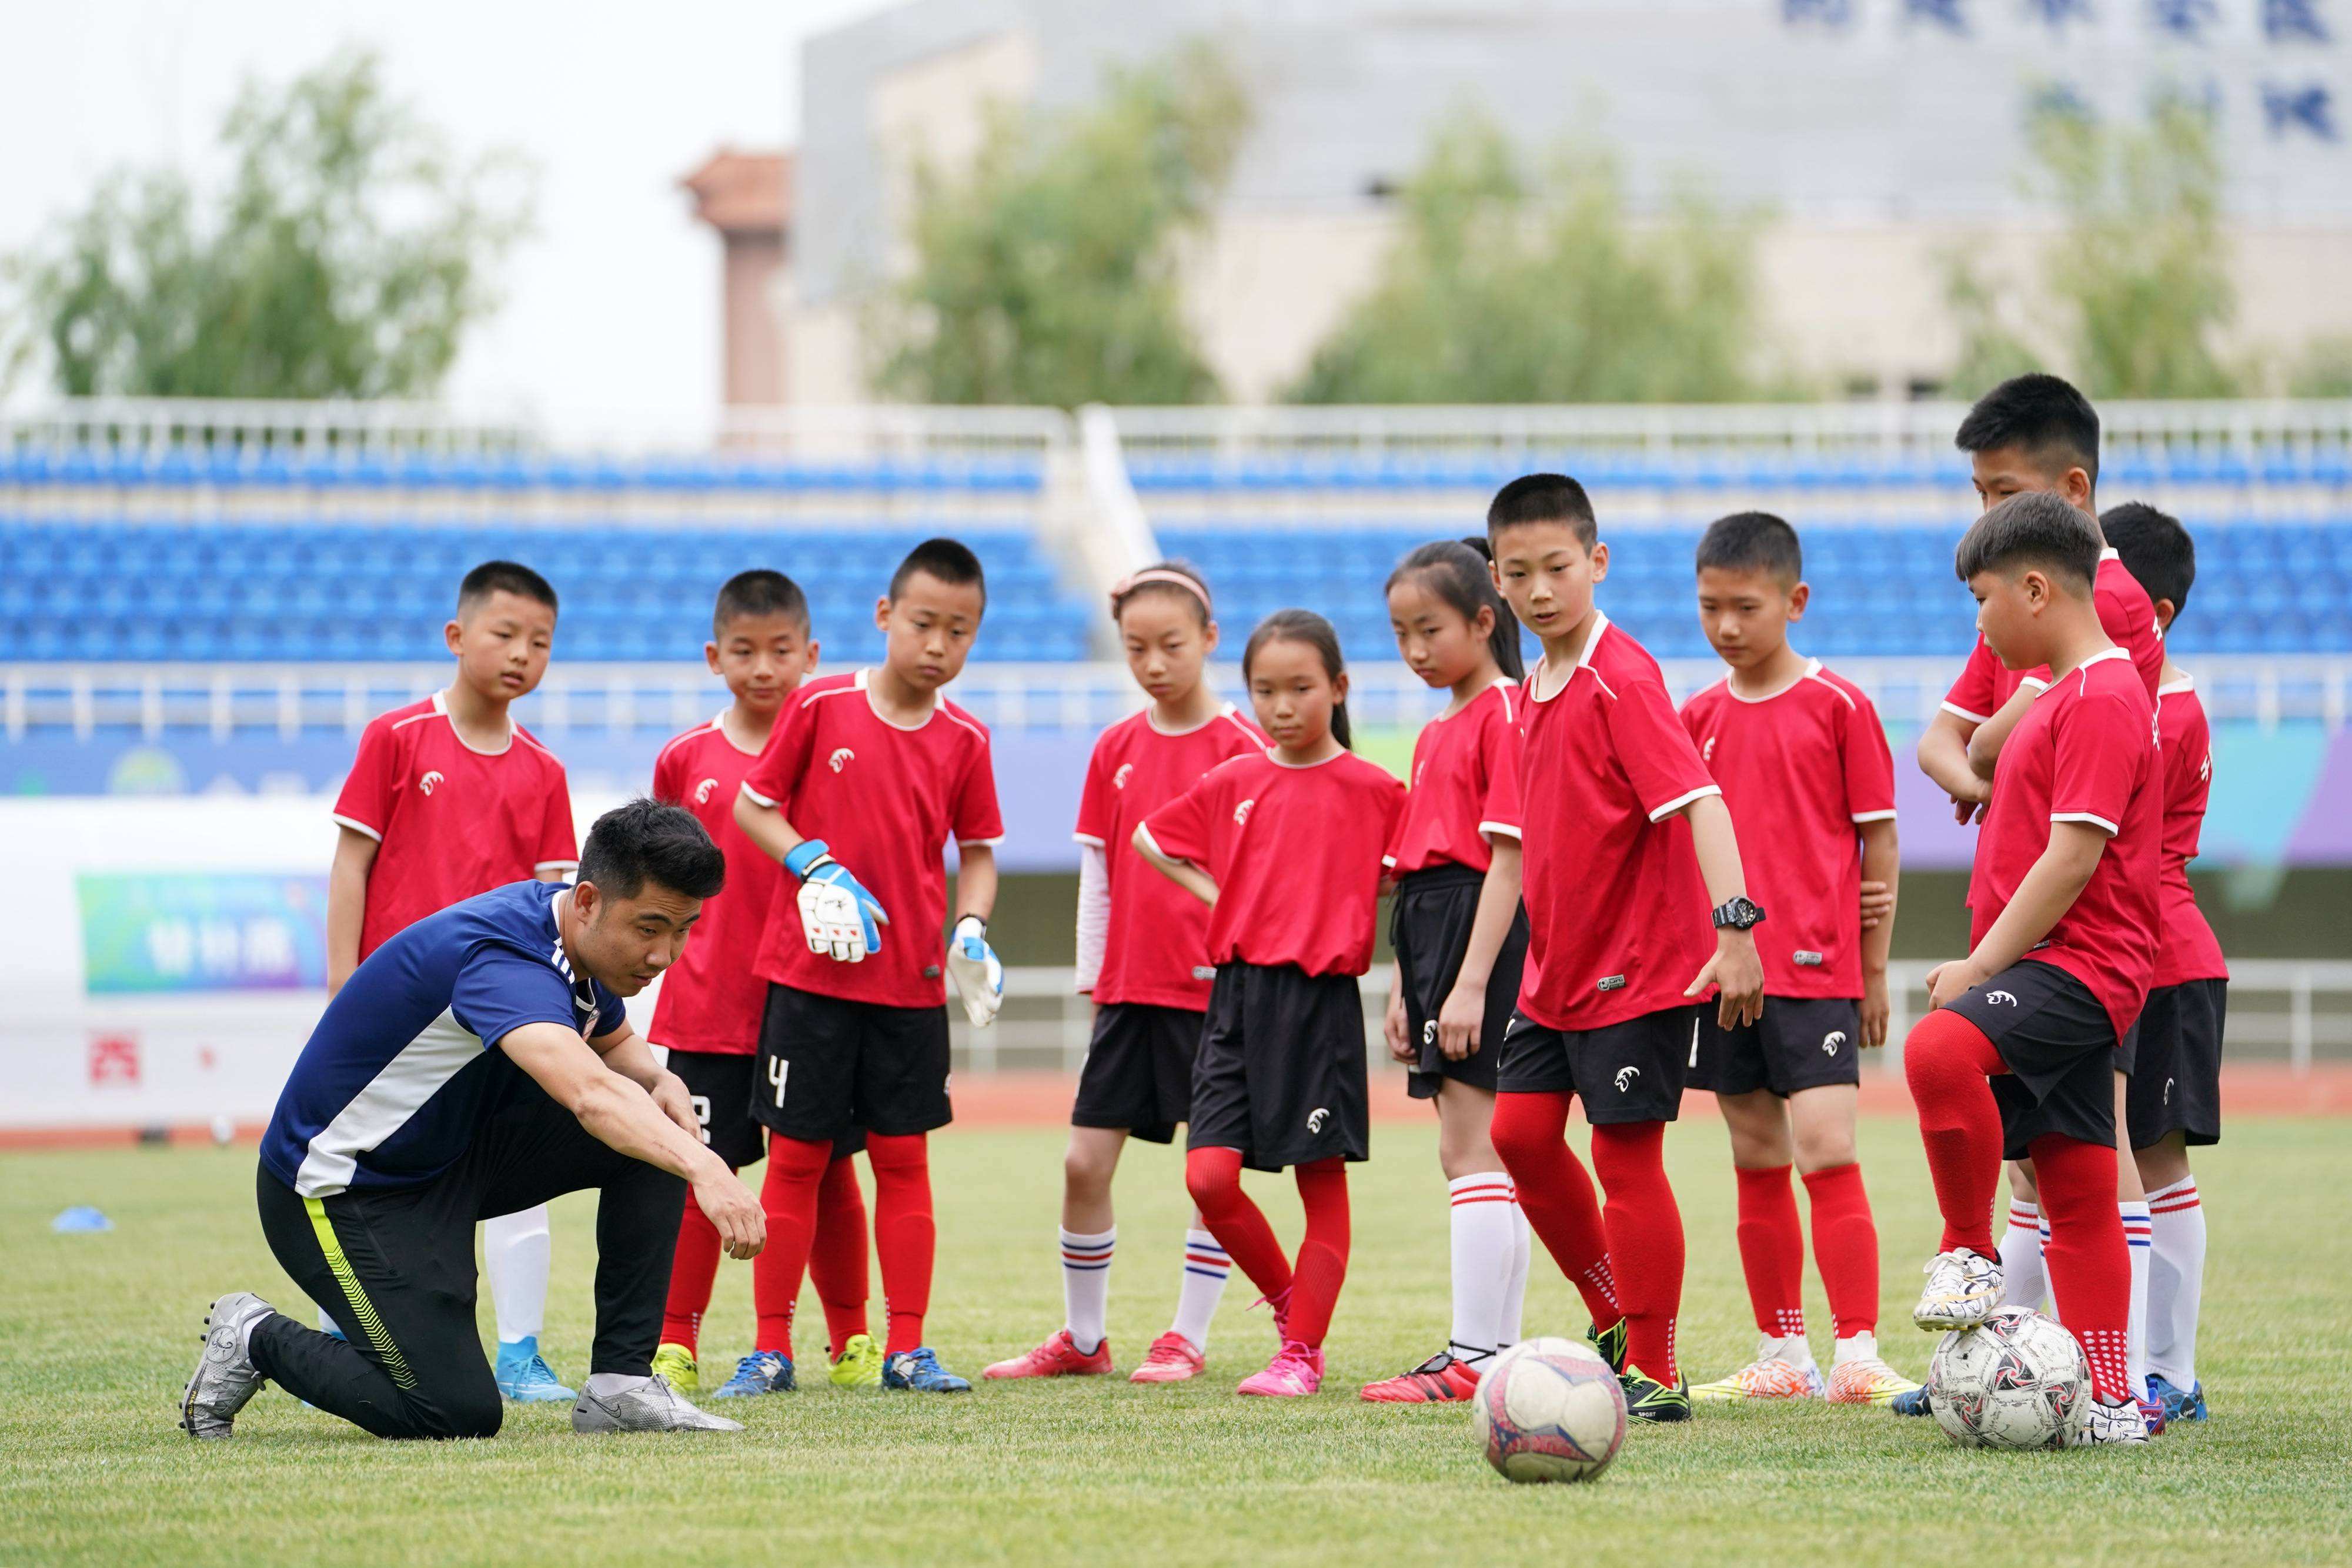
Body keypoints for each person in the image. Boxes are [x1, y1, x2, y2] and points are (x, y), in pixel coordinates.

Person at [181, 799, 759, 1441]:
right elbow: (593, 1094)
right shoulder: (503, 958)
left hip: (446, 1166)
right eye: (650, 928)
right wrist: (705, 1164)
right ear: (589, 900)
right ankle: (254, 1336)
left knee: (653, 1127)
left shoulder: (573, 936)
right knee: (452, 1412)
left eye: (683, 930)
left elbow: (615, 1049)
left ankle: (620, 1387)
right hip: (339, 1191)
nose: (664, 955)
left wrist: (660, 1079)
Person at [1901, 374, 2167, 1426]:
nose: (1981, 625)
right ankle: (2107, 1397)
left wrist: (1978, 969)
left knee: (1938, 1049)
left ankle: (1967, 1255)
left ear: (2040, 593)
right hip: (2051, 964)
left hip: (2080, 966)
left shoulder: (2101, 697)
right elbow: (1976, 762)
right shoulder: (2063, 697)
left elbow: (2070, 860)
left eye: (1983, 602)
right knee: (2072, 1183)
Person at [1481, 473, 1767, 1425]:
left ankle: (1654, 1362)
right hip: (1553, 972)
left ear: (1596, 563)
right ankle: (1611, 1312)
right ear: (1497, 579)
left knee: (1625, 1155)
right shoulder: (1532, 683)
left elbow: (1704, 803)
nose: (1540, 589)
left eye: (1558, 567)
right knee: (1520, 1136)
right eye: (1518, 573)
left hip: (1635, 969)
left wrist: (1735, 931)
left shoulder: (1624, 677)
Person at [732, 537, 1006, 1394]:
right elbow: (753, 805)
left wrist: (970, 925)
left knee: (903, 1161)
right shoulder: (819, 705)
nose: (938, 645)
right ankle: (770, 1348)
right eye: (924, 623)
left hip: (909, 989)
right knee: (797, 1163)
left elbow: (982, 852)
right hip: (808, 981)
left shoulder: (966, 737)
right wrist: (813, 861)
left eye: (959, 631)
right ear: (886, 616)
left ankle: (907, 1349)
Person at [985, 564, 1262, 1385]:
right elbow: (1100, 870)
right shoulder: (1114, 745)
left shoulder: (1245, 746)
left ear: (1210, 640)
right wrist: (1093, 970)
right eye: (1135, 647)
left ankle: (1188, 1334)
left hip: (1214, 994)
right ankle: (1084, 1335)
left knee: (1210, 1173)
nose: (1153, 661)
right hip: (1128, 993)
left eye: (1171, 644)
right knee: (1083, 1163)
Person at [325, 559, 580, 1404]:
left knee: (509, 1167)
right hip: (396, 1012)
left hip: (502, 1012)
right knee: (380, 1168)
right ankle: (347, 1317)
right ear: (457, 635)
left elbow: (555, 901)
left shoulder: (544, 770)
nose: (521, 654)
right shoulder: (397, 737)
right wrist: (341, 986)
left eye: (539, 641)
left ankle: (521, 1351)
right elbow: (351, 863)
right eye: (505, 634)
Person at [1676, 513, 1916, 1407]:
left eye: (1746, 606)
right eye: (1710, 607)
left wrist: (1874, 968)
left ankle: (1856, 1347)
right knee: (1754, 1151)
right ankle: (1783, 1350)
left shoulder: (1840, 705)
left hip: (1816, 970)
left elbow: (1878, 845)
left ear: (1795, 600)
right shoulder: (1693, 715)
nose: (1727, 625)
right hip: (1726, 976)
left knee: (1827, 1146)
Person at [1135, 610, 1406, 1398]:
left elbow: (1414, 873)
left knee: (1319, 1180)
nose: (1281, 706)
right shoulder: (1233, 780)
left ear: (1338, 688)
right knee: (1210, 1177)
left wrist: (1366, 892)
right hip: (1236, 998)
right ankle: (1295, 1306)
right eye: (1264, 690)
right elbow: (1155, 837)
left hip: (1320, 1003)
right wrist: (1220, 897)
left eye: (1300, 688)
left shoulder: (1375, 787)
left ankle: (1303, 1352)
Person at [647, 570, 876, 1400]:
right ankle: (675, 1341)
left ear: (811, 655)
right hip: (711, 1005)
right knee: (699, 1172)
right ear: (715, 656)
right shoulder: (686, 756)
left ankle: (852, 1334)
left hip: (813, 1003)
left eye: (782, 650)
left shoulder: (832, 747)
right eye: (744, 650)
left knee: (828, 1173)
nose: (764, 667)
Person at [1359, 540, 1534, 1403]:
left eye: (1430, 628)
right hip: (1434, 926)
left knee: (1474, 1146)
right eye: (1400, 633)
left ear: (1482, 620)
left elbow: (1507, 859)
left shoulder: (1507, 709)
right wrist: (1405, 983)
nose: (1416, 648)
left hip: (1481, 927)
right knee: (1471, 1148)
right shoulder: (1436, 729)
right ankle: (1494, 1351)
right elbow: (1413, 873)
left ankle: (1474, 1352)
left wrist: (1467, 982)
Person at [2102, 502, 2226, 1426]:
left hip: (2164, 955)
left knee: (2153, 1159)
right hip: (2118, 951)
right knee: (2064, 1161)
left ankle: (2169, 1372)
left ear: (2158, 612)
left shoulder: (2167, 708)